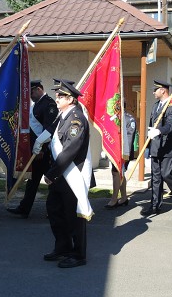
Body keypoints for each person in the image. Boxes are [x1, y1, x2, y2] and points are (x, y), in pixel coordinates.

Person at [42, 79, 94, 268]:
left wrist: (52, 173)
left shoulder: (76, 119)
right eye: (57, 95)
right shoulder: (63, 117)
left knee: (74, 216)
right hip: (59, 177)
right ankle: (62, 247)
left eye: (61, 96)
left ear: (71, 99)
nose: (57, 98)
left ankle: (78, 254)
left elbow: (70, 149)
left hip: (71, 176)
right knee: (55, 212)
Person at [7, 80, 58, 218]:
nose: (30, 95)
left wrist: (42, 149)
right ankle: (24, 208)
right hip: (36, 150)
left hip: (44, 152)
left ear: (40, 89)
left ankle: (54, 210)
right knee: (32, 181)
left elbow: (49, 129)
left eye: (32, 92)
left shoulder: (49, 104)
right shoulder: (36, 105)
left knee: (52, 181)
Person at [142, 80, 172, 216]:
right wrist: (148, 144)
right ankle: (155, 205)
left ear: (163, 90)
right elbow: (152, 124)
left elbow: (171, 124)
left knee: (167, 174)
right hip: (156, 147)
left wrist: (159, 131)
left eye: (155, 90)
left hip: (168, 147)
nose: (153, 92)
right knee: (155, 177)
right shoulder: (156, 105)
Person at [104, 107, 136, 209]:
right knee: (119, 173)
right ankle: (124, 197)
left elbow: (129, 138)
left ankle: (114, 199)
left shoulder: (129, 119)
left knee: (116, 173)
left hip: (123, 153)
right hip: (114, 151)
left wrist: (124, 155)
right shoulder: (115, 118)